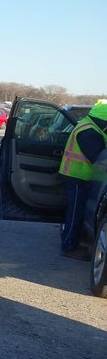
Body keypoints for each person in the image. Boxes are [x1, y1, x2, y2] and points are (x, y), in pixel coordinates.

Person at [58, 99, 107, 259]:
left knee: (77, 212)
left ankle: (74, 241)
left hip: (78, 176)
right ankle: (69, 247)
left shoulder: (88, 125)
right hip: (77, 176)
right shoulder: (89, 132)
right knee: (75, 213)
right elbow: (98, 158)